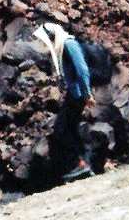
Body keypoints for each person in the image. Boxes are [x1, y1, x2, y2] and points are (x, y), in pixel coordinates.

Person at [34, 20, 93, 177]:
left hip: (78, 95)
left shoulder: (69, 45)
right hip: (75, 94)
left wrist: (88, 94)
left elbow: (82, 70)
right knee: (69, 128)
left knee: (63, 128)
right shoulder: (63, 47)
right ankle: (84, 163)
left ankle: (82, 163)